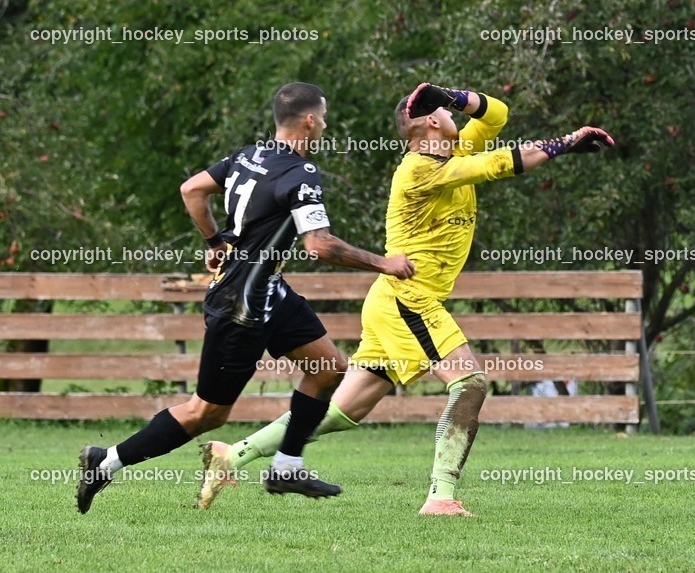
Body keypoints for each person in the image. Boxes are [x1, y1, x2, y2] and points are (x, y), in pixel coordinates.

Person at [197, 83, 613, 516]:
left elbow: (497, 115)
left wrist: (451, 96)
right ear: (432, 121)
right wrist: (565, 143)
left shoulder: (454, 152)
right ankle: (441, 496)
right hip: (407, 298)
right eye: (448, 111)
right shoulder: (418, 168)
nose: (456, 117)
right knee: (469, 383)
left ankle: (232, 456)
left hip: (392, 301)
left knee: (340, 411)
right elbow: (500, 163)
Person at [75, 82, 415, 514]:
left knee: (328, 368)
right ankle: (105, 461)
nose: (326, 126)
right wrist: (385, 263)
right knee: (206, 413)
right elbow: (319, 245)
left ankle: (287, 467)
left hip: (270, 291)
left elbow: (192, 189)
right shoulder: (300, 173)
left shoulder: (247, 156)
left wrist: (214, 241)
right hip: (241, 307)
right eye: (324, 118)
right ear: (310, 120)